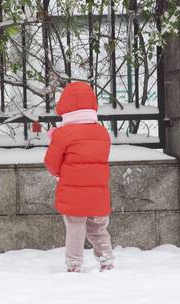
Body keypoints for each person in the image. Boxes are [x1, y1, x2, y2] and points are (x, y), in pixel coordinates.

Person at [44, 81, 114, 273]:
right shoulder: (102, 132)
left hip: (73, 192)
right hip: (98, 192)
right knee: (99, 228)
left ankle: (74, 264)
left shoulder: (63, 134)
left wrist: (61, 174)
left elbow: (51, 163)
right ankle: (106, 259)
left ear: (65, 106)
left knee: (75, 228)